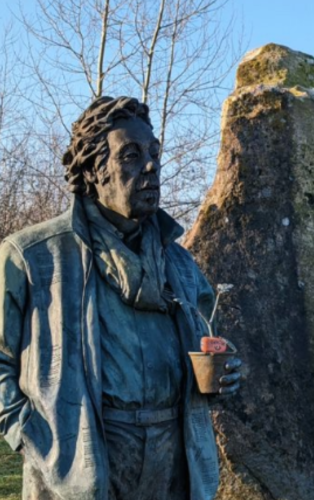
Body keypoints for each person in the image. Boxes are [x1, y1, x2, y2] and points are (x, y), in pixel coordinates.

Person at [0, 96, 240, 499]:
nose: (150, 166)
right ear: (95, 171)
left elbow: (205, 339)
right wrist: (29, 434)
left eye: (154, 153)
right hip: (82, 461)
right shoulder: (32, 256)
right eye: (130, 155)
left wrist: (223, 370)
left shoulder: (178, 263)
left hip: (174, 460)